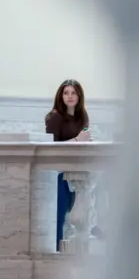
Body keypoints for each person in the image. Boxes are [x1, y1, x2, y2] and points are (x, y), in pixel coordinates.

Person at [45, 79, 93, 249]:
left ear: (79, 96)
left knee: (73, 214)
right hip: (58, 173)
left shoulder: (82, 116)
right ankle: (55, 250)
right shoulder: (54, 117)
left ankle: (69, 250)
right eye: (66, 93)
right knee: (59, 214)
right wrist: (77, 140)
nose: (70, 96)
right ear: (61, 96)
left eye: (73, 93)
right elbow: (50, 147)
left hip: (76, 171)